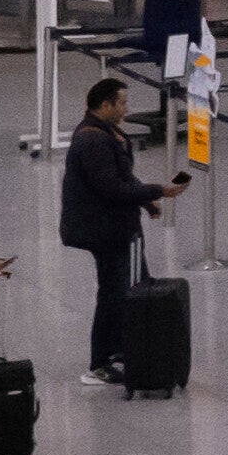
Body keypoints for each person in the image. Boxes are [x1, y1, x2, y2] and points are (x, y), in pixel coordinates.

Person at [56, 77, 155, 353]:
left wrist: (146, 199)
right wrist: (157, 190)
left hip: (116, 227)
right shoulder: (93, 140)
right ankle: (104, 358)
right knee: (114, 292)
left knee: (128, 287)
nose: (126, 109)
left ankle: (127, 348)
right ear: (105, 104)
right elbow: (111, 187)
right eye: (121, 103)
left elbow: (122, 177)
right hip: (105, 230)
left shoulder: (107, 132)